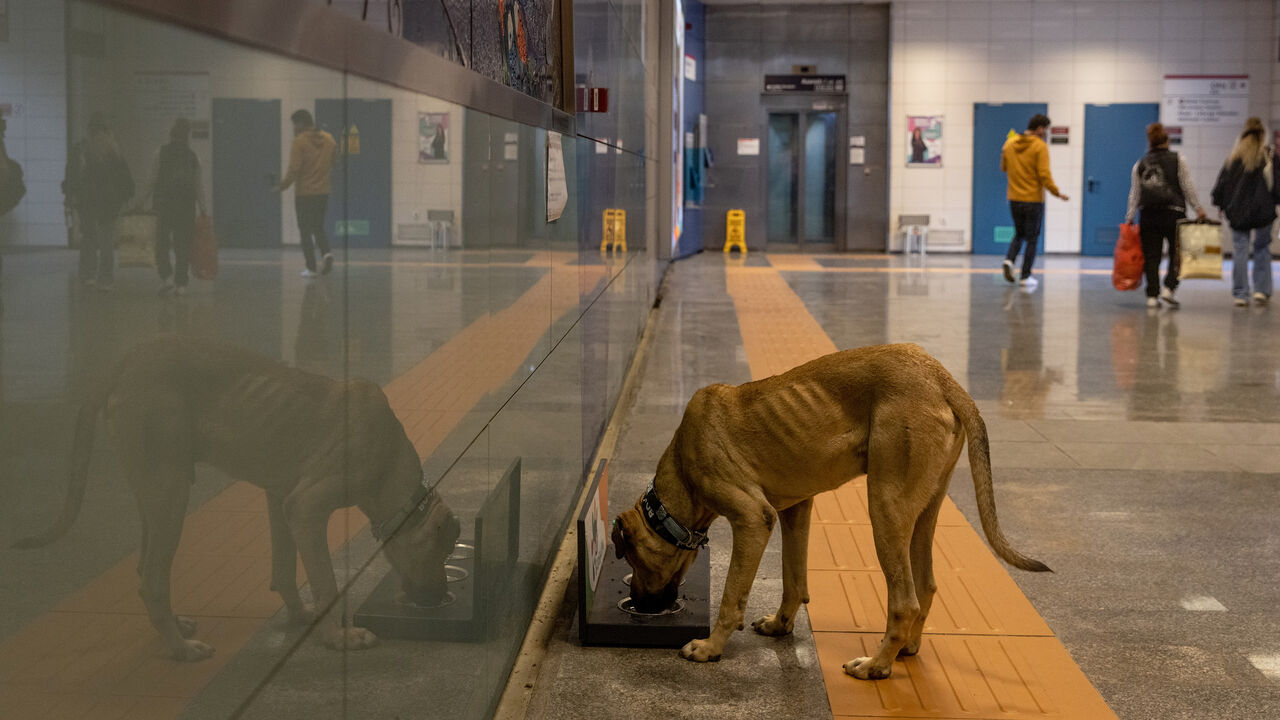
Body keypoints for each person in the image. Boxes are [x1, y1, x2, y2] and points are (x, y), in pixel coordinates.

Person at [1124, 122, 1206, 309]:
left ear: (1150, 142)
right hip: (1174, 213)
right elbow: (1187, 186)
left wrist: (1129, 216)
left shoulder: (1140, 163)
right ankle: (1169, 288)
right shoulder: (1178, 160)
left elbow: (1134, 193)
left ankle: (1152, 296)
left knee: (1152, 256)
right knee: (1177, 254)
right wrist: (1198, 208)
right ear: (1167, 140)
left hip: (1149, 214)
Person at [1211, 117, 1278, 307]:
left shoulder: (1233, 158)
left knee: (1240, 250)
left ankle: (1240, 293)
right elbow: (1277, 185)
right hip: (1264, 211)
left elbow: (1221, 185)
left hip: (1238, 212)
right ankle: (1261, 290)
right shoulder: (1269, 156)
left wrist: (1221, 205)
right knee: (1262, 248)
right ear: (1262, 134)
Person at [65, 114, 134, 291]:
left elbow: (71, 176)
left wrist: (69, 196)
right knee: (106, 241)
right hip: (109, 203)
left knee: (88, 237)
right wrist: (125, 198)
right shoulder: (114, 151)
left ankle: (87, 275)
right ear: (106, 130)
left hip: (86, 202)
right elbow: (125, 179)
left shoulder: (80, 149)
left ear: (89, 130)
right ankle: (105, 279)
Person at [1000, 114, 1069, 289]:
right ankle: (1025, 276)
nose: (1046, 133)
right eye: (1045, 129)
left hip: (1014, 198)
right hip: (1033, 200)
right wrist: (1057, 193)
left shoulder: (1009, 143)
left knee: (1019, 233)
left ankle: (1009, 260)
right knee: (1032, 238)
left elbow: (1003, 168)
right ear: (1039, 128)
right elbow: (1044, 175)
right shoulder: (1040, 146)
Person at [144, 118, 206, 296]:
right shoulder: (193, 157)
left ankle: (167, 278)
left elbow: (151, 180)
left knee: (161, 243)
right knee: (183, 246)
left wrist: (141, 200)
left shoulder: (161, 153)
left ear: (171, 135)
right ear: (187, 137)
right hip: (186, 207)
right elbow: (198, 185)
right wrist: (203, 207)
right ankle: (181, 285)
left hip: (164, 205)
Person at [277, 109, 338, 279]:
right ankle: (326, 253)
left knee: (304, 230)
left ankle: (311, 268)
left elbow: (293, 170)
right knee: (318, 226)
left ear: (301, 123)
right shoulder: (330, 139)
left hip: (304, 194)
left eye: (295, 125)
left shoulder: (299, 142)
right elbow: (335, 161)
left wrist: (281, 187)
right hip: (323, 193)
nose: (294, 128)